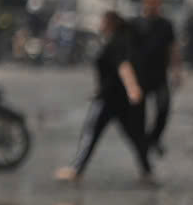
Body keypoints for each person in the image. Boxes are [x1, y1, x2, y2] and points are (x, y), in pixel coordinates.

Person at [57, 9, 155, 183]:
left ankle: (76, 170)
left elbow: (123, 67)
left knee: (91, 133)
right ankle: (147, 171)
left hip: (110, 99)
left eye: (103, 22)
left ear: (110, 24)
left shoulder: (116, 42)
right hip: (116, 98)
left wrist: (132, 88)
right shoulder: (118, 40)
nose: (100, 25)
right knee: (134, 136)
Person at [131, 0, 182, 155]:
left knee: (164, 107)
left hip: (160, 76)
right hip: (140, 77)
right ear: (144, 1)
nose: (153, 4)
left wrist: (176, 72)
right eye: (150, 0)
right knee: (139, 116)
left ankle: (154, 138)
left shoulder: (166, 25)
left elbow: (173, 48)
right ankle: (144, 146)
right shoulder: (135, 24)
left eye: (156, 0)